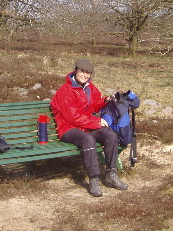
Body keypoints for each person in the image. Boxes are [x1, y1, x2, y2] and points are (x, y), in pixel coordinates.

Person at [51, 58, 128, 197]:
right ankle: (94, 179)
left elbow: (95, 104)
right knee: (87, 140)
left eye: (88, 73)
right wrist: (95, 122)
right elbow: (72, 117)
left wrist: (105, 101)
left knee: (111, 136)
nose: (85, 75)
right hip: (68, 129)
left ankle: (111, 173)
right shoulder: (65, 91)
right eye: (82, 71)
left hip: (85, 126)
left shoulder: (89, 87)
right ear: (76, 71)